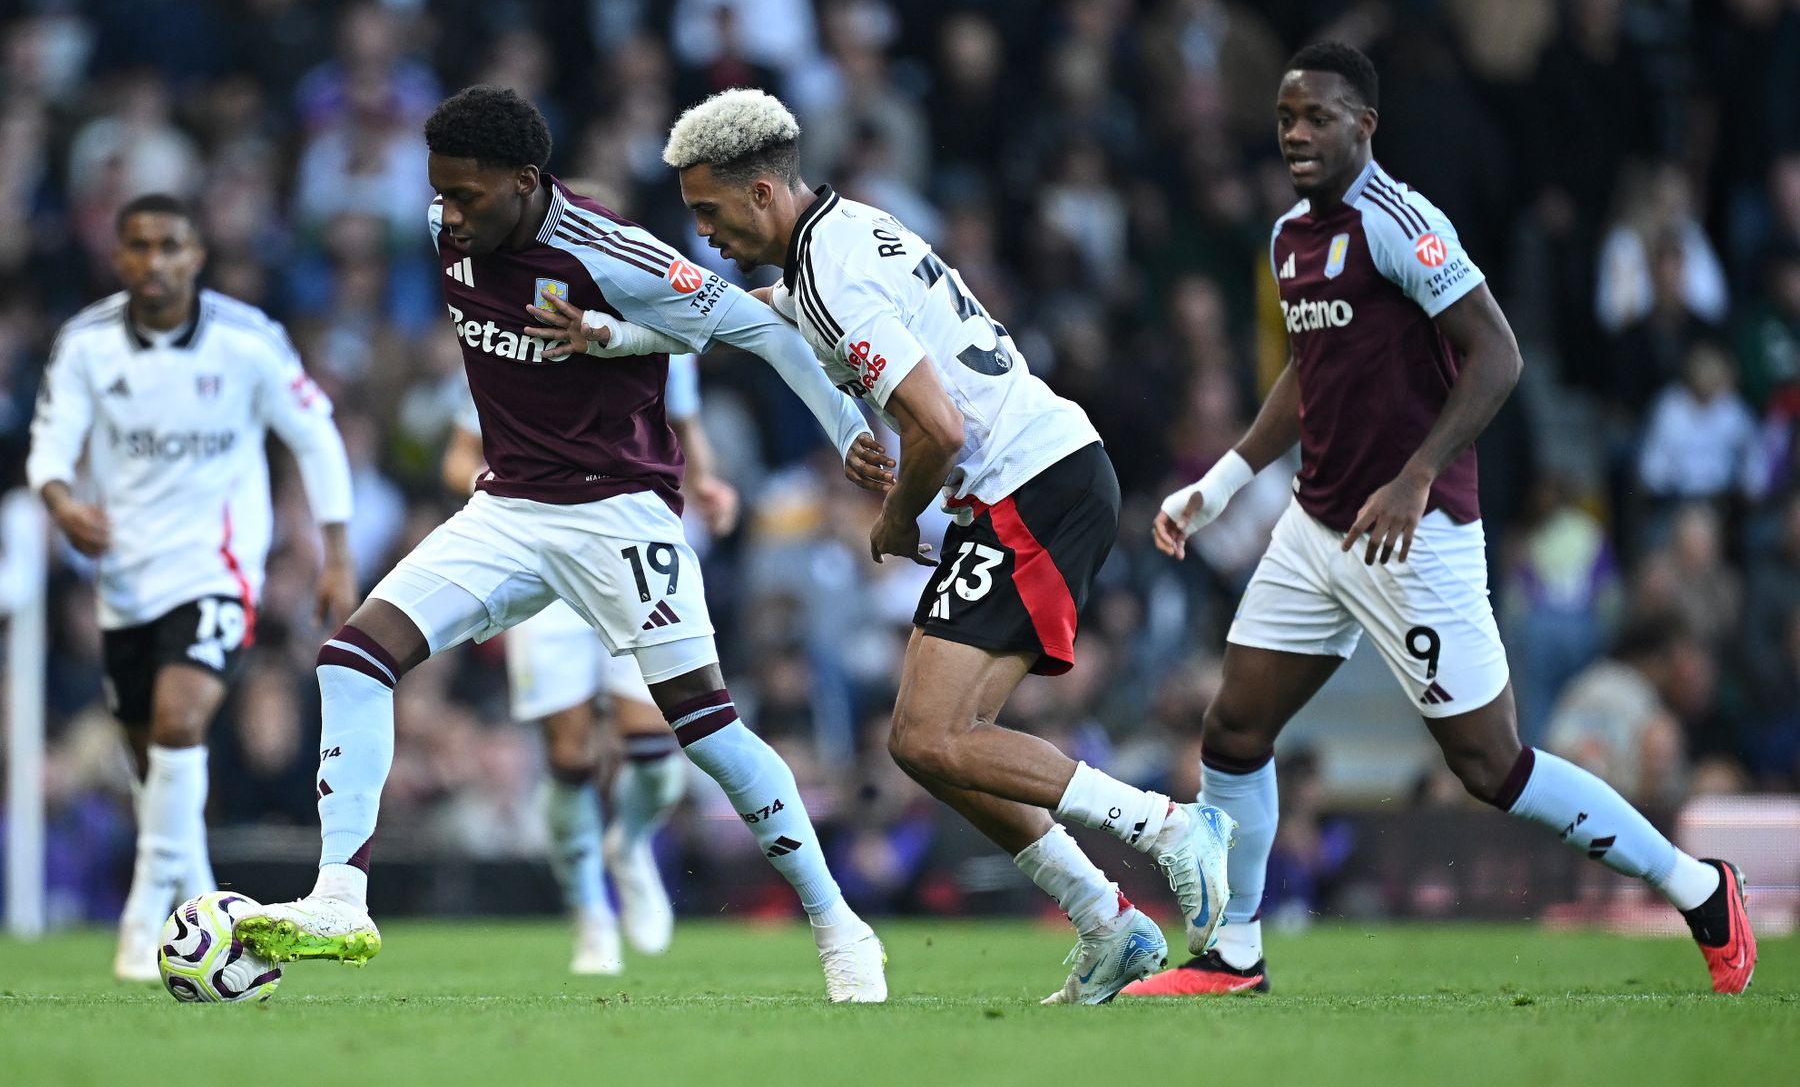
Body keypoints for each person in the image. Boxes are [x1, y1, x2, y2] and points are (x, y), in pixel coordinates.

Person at [565, 86, 1237, 1006]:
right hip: (1028, 482)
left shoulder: (834, 275)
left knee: (935, 733)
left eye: (709, 211)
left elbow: (941, 429)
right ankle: (1107, 921)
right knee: (926, 743)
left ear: (761, 194)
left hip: (1029, 483)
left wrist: (893, 517)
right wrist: (613, 334)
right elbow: (741, 315)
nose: (704, 233)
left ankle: (1168, 827)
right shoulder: (833, 242)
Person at [234, 86, 891, 1002]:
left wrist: (847, 434)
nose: (448, 215)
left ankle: (837, 923)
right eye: (440, 193)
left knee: (703, 729)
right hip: (507, 509)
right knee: (351, 658)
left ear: (525, 181)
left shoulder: (611, 252)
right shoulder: (445, 226)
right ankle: (341, 898)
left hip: (618, 512)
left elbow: (761, 330)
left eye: (467, 196)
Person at [1138, 42, 1755, 997]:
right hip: (1316, 528)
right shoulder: (1289, 237)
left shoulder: (1404, 222)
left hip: (1412, 533)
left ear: (1364, 125)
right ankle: (1233, 954)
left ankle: (1698, 887)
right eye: (1286, 119)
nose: (1297, 134)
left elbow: (1498, 355)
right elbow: (1310, 370)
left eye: (1318, 117)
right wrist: (1220, 482)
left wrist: (1418, 475)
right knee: (1234, 729)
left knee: (1490, 765)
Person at [26, 193, 356, 980]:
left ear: (196, 255)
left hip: (218, 567)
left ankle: (144, 923)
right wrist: (63, 503)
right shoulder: (86, 345)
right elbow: (49, 445)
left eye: (170, 246)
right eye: (137, 247)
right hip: (126, 578)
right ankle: (204, 907)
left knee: (180, 722)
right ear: (120, 258)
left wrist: (336, 552)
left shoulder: (247, 341)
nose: (154, 262)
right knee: (153, 764)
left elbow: (316, 434)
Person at [439, 354, 734, 974]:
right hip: (545, 565)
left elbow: (685, 424)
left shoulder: (656, 328)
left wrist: (706, 481)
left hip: (635, 556)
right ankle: (590, 916)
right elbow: (459, 455)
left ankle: (628, 845)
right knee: (569, 756)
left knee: (654, 745)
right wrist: (510, 496)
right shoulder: (510, 336)